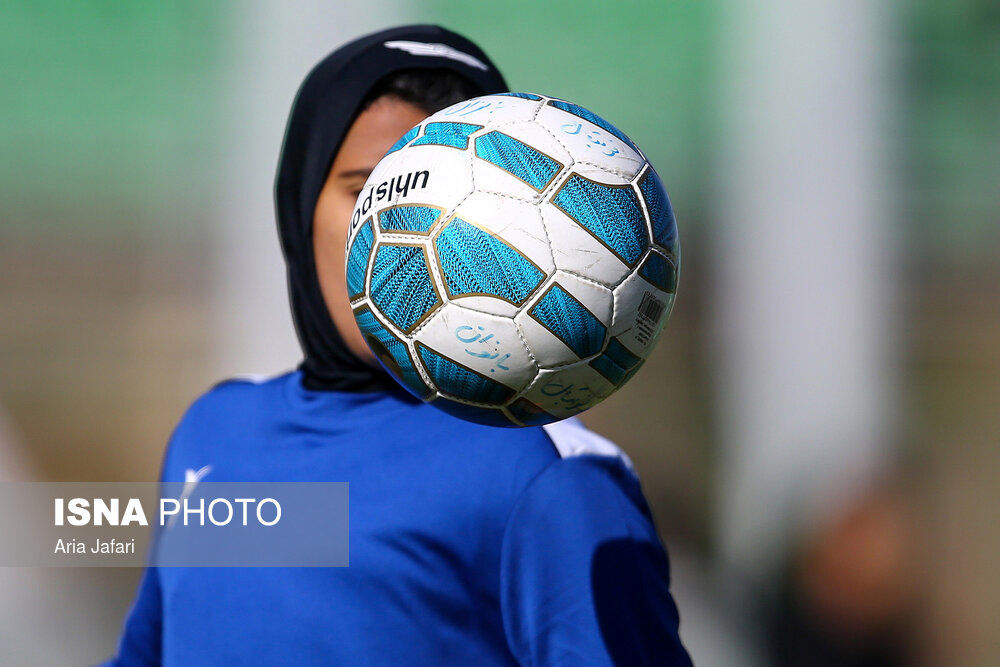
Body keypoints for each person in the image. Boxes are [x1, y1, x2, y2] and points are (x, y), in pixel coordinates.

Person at [106, 25, 691, 666]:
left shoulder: (550, 471)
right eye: (366, 193)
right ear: (299, 205)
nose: (388, 241)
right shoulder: (215, 431)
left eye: (442, 208)